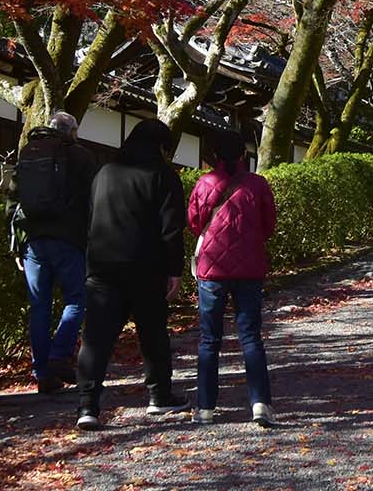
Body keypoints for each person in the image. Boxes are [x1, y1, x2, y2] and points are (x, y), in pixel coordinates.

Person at [74, 118, 189, 430]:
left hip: (102, 265)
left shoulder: (104, 172)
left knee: (96, 336)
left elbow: (89, 218)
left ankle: (88, 405)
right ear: (161, 147)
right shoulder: (162, 175)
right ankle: (158, 396)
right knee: (152, 333)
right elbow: (172, 228)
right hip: (146, 266)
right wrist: (174, 270)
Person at [188, 131, 278, 427]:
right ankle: (260, 404)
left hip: (212, 269)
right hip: (249, 268)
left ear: (215, 154)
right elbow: (268, 226)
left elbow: (193, 222)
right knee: (251, 337)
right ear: (243, 155)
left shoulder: (204, 183)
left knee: (209, 339)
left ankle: (205, 408)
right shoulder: (257, 184)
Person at [11, 111, 97, 394]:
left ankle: (42, 373)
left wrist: (15, 243)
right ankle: (59, 355)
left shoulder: (28, 152)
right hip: (69, 239)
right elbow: (92, 200)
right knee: (76, 298)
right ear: (72, 131)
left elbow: (13, 200)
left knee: (39, 305)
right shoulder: (81, 156)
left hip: (33, 240)